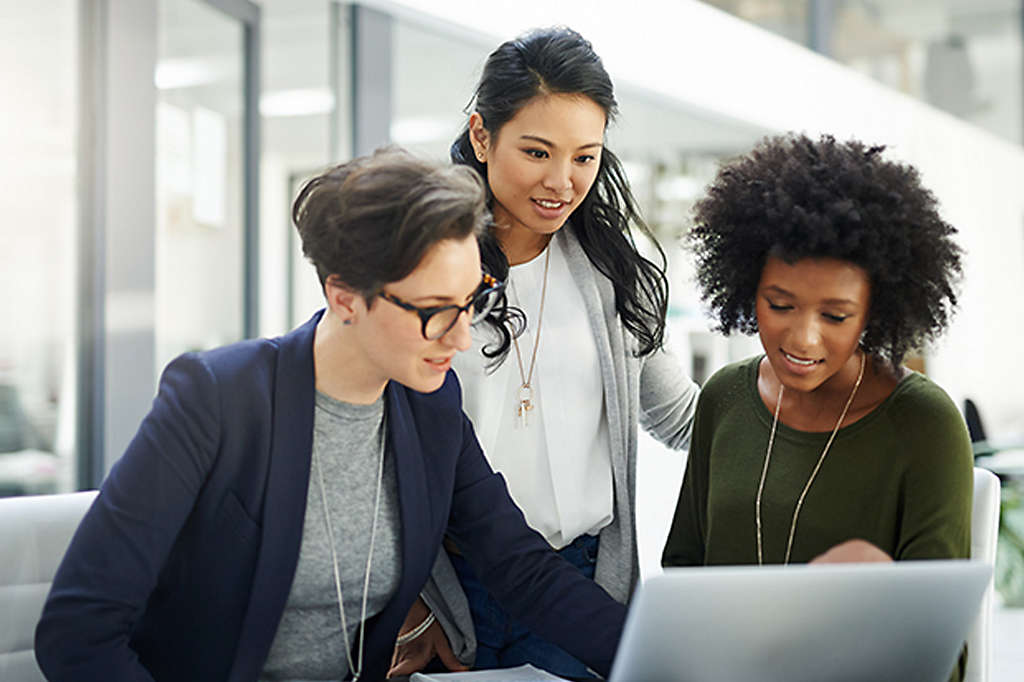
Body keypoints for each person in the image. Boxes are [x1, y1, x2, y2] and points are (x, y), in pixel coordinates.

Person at [34, 149, 627, 682]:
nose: (463, 337)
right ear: (344, 296)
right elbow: (77, 633)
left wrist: (659, 657)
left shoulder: (431, 407)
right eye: (436, 310)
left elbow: (521, 568)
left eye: (472, 301)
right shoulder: (217, 398)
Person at [390, 27, 699, 678]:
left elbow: (681, 418)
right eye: (537, 151)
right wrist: (413, 605)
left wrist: (805, 403)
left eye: (585, 157)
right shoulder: (422, 265)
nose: (562, 181)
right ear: (481, 136)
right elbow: (376, 444)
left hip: (581, 584)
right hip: (449, 590)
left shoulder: (615, 275)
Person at [661, 133, 972, 680]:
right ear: (745, 286)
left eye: (835, 316)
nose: (802, 339)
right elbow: (684, 573)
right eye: (780, 305)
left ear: (876, 312)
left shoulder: (924, 424)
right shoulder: (723, 399)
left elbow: (938, 644)